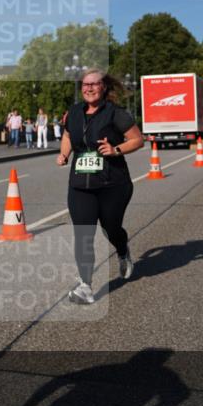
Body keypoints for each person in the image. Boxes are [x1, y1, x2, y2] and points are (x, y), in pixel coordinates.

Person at [57, 70, 144, 304]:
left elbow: (138, 139)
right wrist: (64, 154)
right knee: (83, 233)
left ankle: (122, 250)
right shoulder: (74, 113)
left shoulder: (116, 113)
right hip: (80, 185)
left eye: (95, 84)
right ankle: (85, 285)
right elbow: (68, 136)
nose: (89, 88)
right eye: (86, 84)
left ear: (104, 87)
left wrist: (116, 150)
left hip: (112, 184)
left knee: (111, 228)